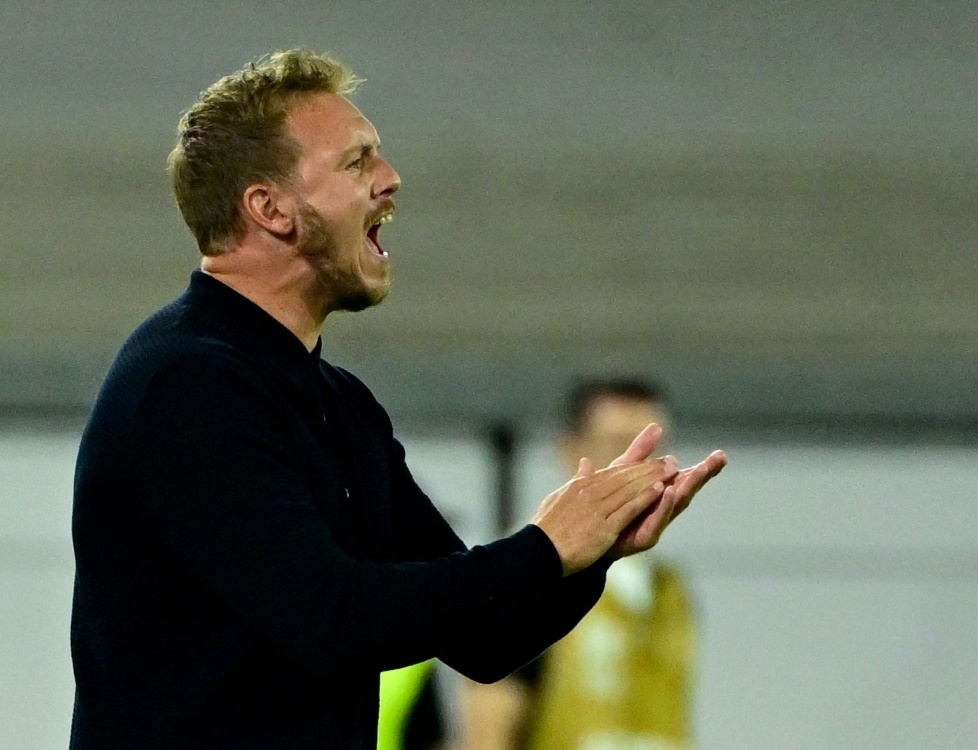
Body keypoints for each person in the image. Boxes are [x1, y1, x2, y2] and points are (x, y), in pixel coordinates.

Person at [69, 49, 727, 750]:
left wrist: (590, 549)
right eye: (358, 163)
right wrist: (542, 548)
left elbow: (486, 641)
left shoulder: (339, 403)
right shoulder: (187, 385)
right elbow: (332, 617)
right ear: (270, 209)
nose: (390, 179)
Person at [461, 379, 699, 750]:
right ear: (573, 453)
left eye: (657, 449)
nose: (642, 467)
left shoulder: (671, 588)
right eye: (621, 445)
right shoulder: (528, 574)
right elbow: (490, 726)